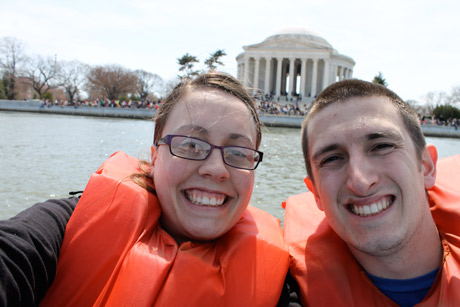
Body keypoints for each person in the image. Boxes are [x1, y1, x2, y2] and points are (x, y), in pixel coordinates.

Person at [1, 72, 292, 306]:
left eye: (239, 152)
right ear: (154, 156)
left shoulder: (278, 282)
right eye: (190, 145)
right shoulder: (68, 226)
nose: (216, 169)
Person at [283, 79, 460, 306]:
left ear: (426, 167)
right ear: (316, 193)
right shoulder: (284, 292)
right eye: (332, 158)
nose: (360, 181)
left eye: (381, 146)